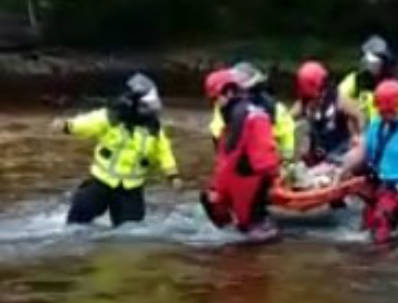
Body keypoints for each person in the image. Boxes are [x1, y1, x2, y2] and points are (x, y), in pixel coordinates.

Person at [56, 73, 181, 227]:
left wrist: (172, 174)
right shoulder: (111, 118)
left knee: (130, 232)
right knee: (77, 219)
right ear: (133, 104)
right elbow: (87, 123)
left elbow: (164, 151)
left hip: (131, 189)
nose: (152, 110)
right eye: (147, 106)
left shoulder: (153, 128)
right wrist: (68, 126)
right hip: (102, 182)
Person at [343, 80, 398, 243]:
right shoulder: (376, 125)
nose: (385, 114)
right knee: (368, 222)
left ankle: (382, 258)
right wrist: (344, 171)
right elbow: (364, 152)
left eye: (388, 110)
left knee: (381, 221)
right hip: (379, 183)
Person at [200, 68, 280, 235]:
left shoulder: (252, 116)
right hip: (237, 178)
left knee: (250, 225)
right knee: (209, 200)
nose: (216, 103)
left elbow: (265, 161)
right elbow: (226, 152)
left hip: (248, 178)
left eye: (217, 98)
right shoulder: (233, 116)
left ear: (229, 91)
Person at [208, 61, 295, 164]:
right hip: (249, 162)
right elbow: (217, 135)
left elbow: (286, 138)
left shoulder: (273, 108)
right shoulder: (222, 108)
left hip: (260, 161)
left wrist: (286, 161)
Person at [292, 61, 365, 173]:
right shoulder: (303, 103)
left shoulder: (338, 100)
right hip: (318, 153)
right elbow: (289, 118)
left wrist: (358, 136)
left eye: (313, 97)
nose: (312, 101)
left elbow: (359, 115)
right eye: (308, 97)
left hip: (339, 153)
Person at [339, 35, 398, 119]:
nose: (373, 66)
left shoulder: (397, 82)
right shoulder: (357, 79)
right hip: (364, 126)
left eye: (379, 58)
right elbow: (339, 97)